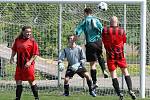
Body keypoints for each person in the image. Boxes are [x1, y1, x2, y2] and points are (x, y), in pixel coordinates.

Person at [102, 16, 136, 100]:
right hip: (120, 55)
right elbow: (124, 41)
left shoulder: (105, 30)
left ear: (110, 22)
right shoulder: (122, 31)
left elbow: (103, 40)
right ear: (117, 22)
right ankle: (130, 90)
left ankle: (119, 93)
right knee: (125, 71)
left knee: (114, 75)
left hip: (110, 55)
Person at [74, 8, 109, 88]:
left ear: (85, 13)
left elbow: (78, 30)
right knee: (100, 56)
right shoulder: (96, 20)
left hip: (90, 43)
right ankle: (104, 70)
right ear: (91, 13)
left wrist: (75, 36)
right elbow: (102, 29)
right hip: (98, 42)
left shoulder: (85, 21)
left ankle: (95, 82)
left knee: (92, 64)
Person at [10, 26, 40, 100]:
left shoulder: (32, 41)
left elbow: (35, 54)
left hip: (28, 66)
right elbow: (14, 50)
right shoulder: (17, 40)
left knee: (31, 81)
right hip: (19, 65)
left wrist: (29, 62)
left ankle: (36, 98)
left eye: (30, 32)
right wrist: (12, 57)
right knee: (18, 81)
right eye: (27, 32)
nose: (29, 33)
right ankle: (17, 98)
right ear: (23, 32)